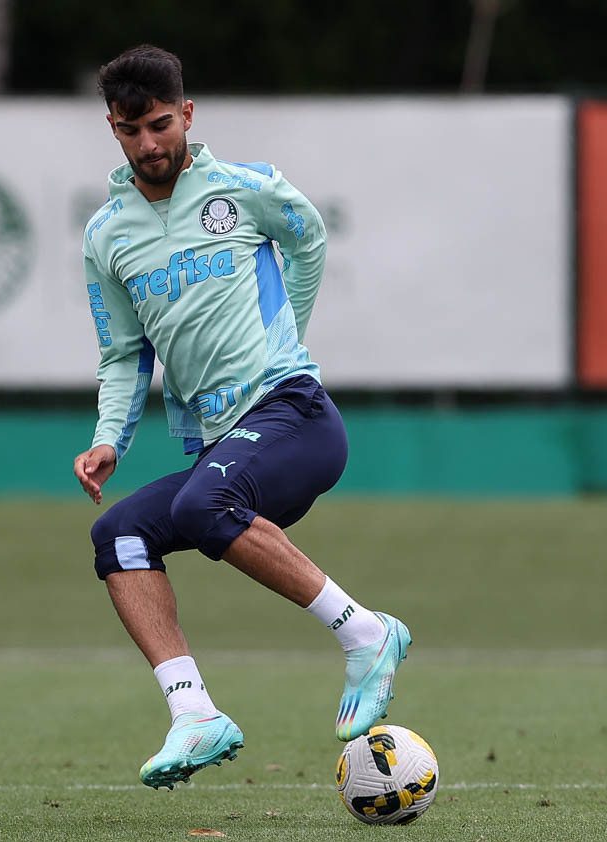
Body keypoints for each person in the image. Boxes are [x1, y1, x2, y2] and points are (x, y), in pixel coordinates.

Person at [73, 45, 412, 790]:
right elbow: (123, 354)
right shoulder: (107, 236)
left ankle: (367, 633)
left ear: (187, 113)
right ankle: (194, 713)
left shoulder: (243, 188)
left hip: (295, 415)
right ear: (113, 128)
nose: (150, 143)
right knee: (117, 534)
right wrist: (108, 440)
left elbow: (309, 237)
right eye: (132, 130)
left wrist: (286, 331)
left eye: (162, 124)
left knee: (203, 501)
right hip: (225, 447)